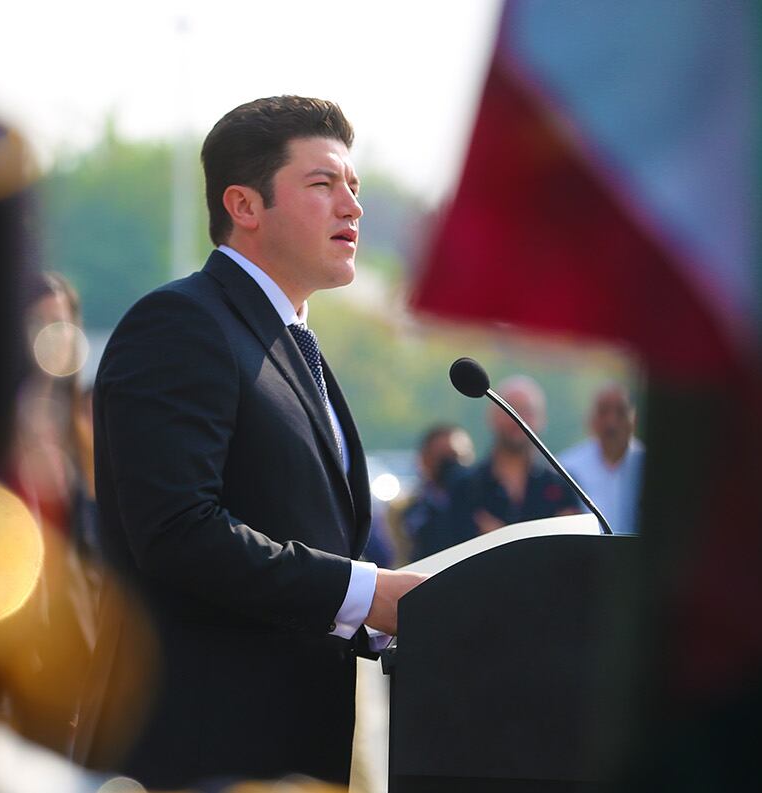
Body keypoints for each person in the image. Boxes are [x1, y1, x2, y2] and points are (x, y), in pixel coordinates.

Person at [84, 95, 426, 788]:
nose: (353, 208)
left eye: (354, 188)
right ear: (244, 205)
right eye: (324, 184)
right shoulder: (181, 325)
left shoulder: (293, 344)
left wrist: (388, 612)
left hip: (293, 754)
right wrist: (367, 592)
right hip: (204, 757)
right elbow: (179, 531)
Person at [449, 376, 580, 540]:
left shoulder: (563, 485)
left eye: (527, 411)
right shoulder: (465, 486)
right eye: (509, 409)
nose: (517, 419)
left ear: (542, 420)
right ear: (491, 418)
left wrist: (501, 538)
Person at [558, 384, 646, 535]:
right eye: (604, 412)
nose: (611, 422)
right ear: (590, 419)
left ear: (635, 418)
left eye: (621, 412)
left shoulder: (647, 464)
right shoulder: (567, 467)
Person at [390, 423, 475, 562]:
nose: (450, 465)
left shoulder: (481, 502)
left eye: (456, 456)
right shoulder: (404, 510)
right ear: (424, 459)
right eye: (442, 457)